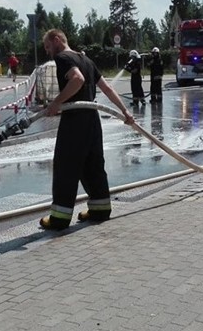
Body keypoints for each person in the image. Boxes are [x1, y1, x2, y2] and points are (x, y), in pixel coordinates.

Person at [39, 28, 135, 230]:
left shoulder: (63, 57)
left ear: (57, 40)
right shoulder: (86, 59)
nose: (48, 52)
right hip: (92, 118)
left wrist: (56, 103)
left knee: (66, 166)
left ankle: (59, 218)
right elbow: (107, 88)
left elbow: (77, 79)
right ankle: (100, 209)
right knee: (92, 164)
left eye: (48, 46)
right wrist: (125, 111)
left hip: (75, 119)